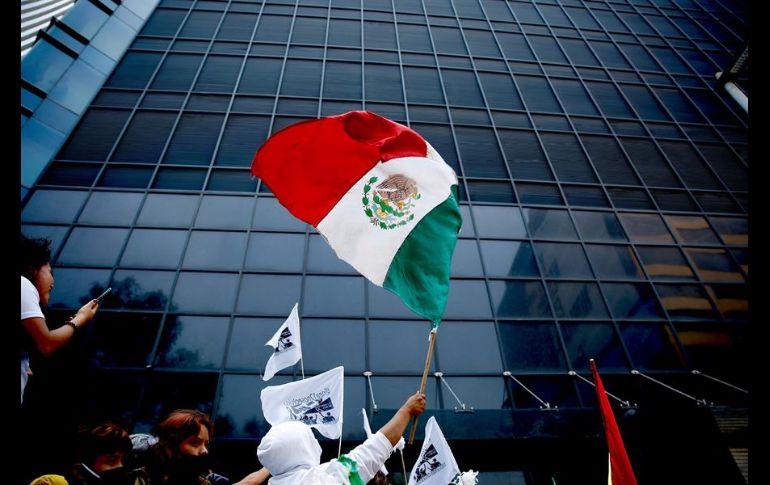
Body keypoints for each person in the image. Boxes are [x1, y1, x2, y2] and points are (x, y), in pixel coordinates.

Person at [257, 391, 426, 485]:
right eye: (309, 439)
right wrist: (407, 410)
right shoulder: (318, 480)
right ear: (301, 449)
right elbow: (372, 452)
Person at [21, 234, 99, 404]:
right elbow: (47, 344)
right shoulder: (23, 284)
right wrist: (81, 318)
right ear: (33, 267)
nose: (53, 281)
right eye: (50, 272)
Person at [146, 409, 269, 485]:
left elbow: (250, 482)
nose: (204, 450)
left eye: (206, 444)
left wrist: (272, 464)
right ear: (171, 444)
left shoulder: (201, 482)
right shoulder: (141, 477)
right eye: (195, 443)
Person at [29, 421, 150, 485]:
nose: (121, 467)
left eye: (124, 460)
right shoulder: (53, 483)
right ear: (79, 471)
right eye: (111, 461)